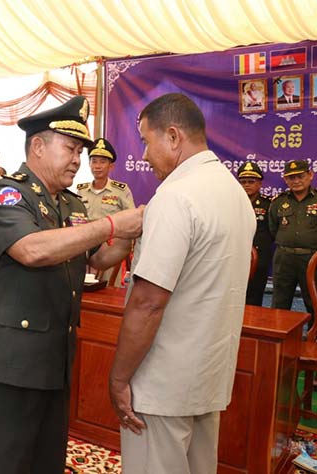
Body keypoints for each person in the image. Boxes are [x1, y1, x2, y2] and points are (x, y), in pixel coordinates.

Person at [0, 95, 143, 473]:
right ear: (38, 147)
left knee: (45, 462)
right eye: (70, 149)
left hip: (54, 360)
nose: (78, 160)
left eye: (80, 151)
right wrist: (112, 224)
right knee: (7, 464)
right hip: (10, 364)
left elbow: (97, 258)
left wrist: (130, 234)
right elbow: (32, 250)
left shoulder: (71, 203)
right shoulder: (7, 193)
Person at [109, 93, 255, 474]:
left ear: (173, 137)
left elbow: (148, 302)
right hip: (207, 376)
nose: (143, 154)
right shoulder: (234, 192)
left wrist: (119, 378)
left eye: (146, 141)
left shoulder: (175, 197)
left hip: (162, 383)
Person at [268, 159, 317, 322]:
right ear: (285, 179)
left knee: (314, 302)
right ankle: (280, 336)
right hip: (284, 258)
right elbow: (273, 229)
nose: (296, 181)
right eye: (291, 177)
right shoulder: (278, 202)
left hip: (312, 259)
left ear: (310, 175)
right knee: (280, 302)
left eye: (300, 176)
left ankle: (313, 335)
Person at [236, 162, 274, 306]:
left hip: (259, 258)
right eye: (243, 182)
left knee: (255, 297)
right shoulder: (232, 202)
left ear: (259, 183)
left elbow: (274, 230)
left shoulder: (269, 204)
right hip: (235, 256)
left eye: (251, 181)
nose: (247, 185)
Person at [76, 138, 135, 221]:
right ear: (89, 164)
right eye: (94, 161)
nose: (97, 166)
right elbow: (77, 219)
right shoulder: (82, 191)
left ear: (111, 166)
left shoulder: (121, 191)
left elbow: (132, 219)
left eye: (102, 162)